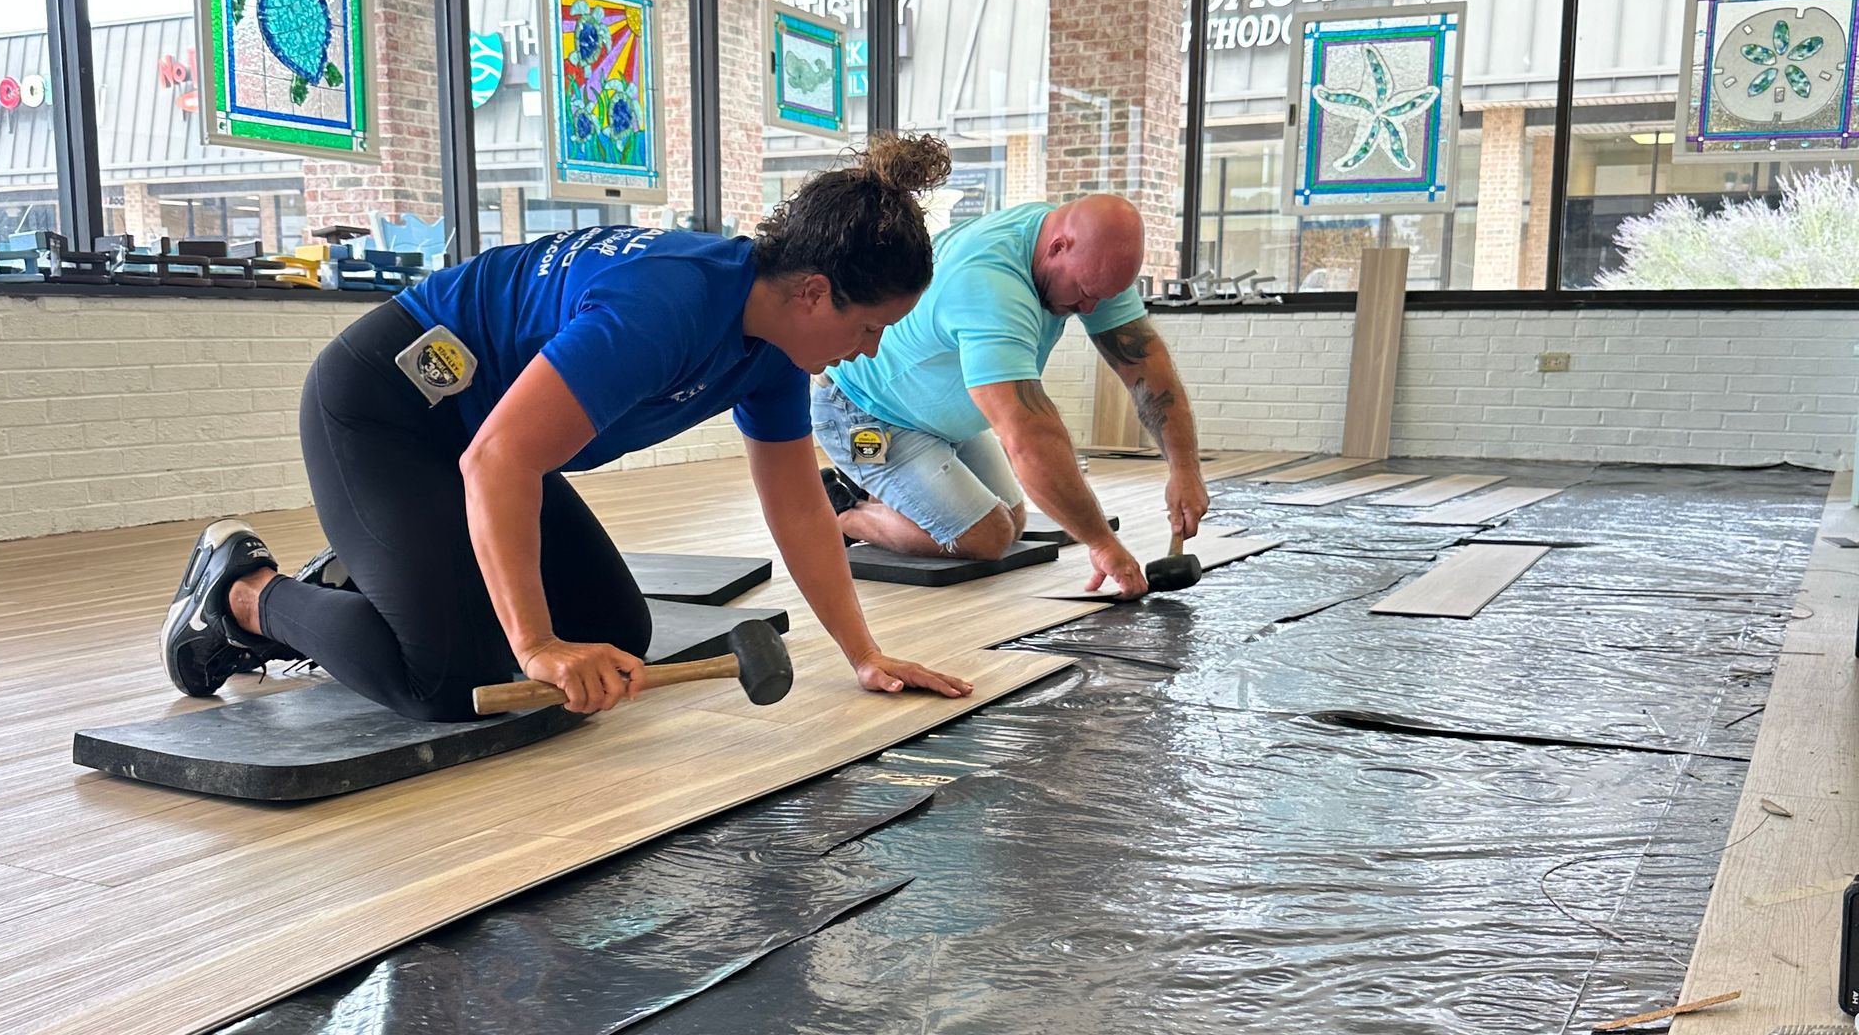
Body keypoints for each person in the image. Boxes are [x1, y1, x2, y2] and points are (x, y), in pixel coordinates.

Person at [160, 135, 975, 720]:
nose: (866, 350)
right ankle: (242, 596)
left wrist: (862, 655)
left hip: (486, 440)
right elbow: (498, 462)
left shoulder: (769, 352)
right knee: (450, 679)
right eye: (870, 327)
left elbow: (799, 508)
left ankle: (371, 567)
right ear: (813, 291)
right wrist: (538, 644)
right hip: (387, 411)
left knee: (617, 637)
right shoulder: (664, 306)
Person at [811, 194, 1209, 601]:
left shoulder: (1094, 266)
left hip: (941, 421)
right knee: (988, 536)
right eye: (1085, 293)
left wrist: (1185, 470)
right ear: (1058, 247)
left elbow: (1147, 369)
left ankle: (896, 494)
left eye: (1100, 298)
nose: (1089, 307)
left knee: (1014, 519)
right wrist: (1103, 543)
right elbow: (1030, 437)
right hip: (862, 414)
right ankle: (843, 511)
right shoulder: (989, 285)